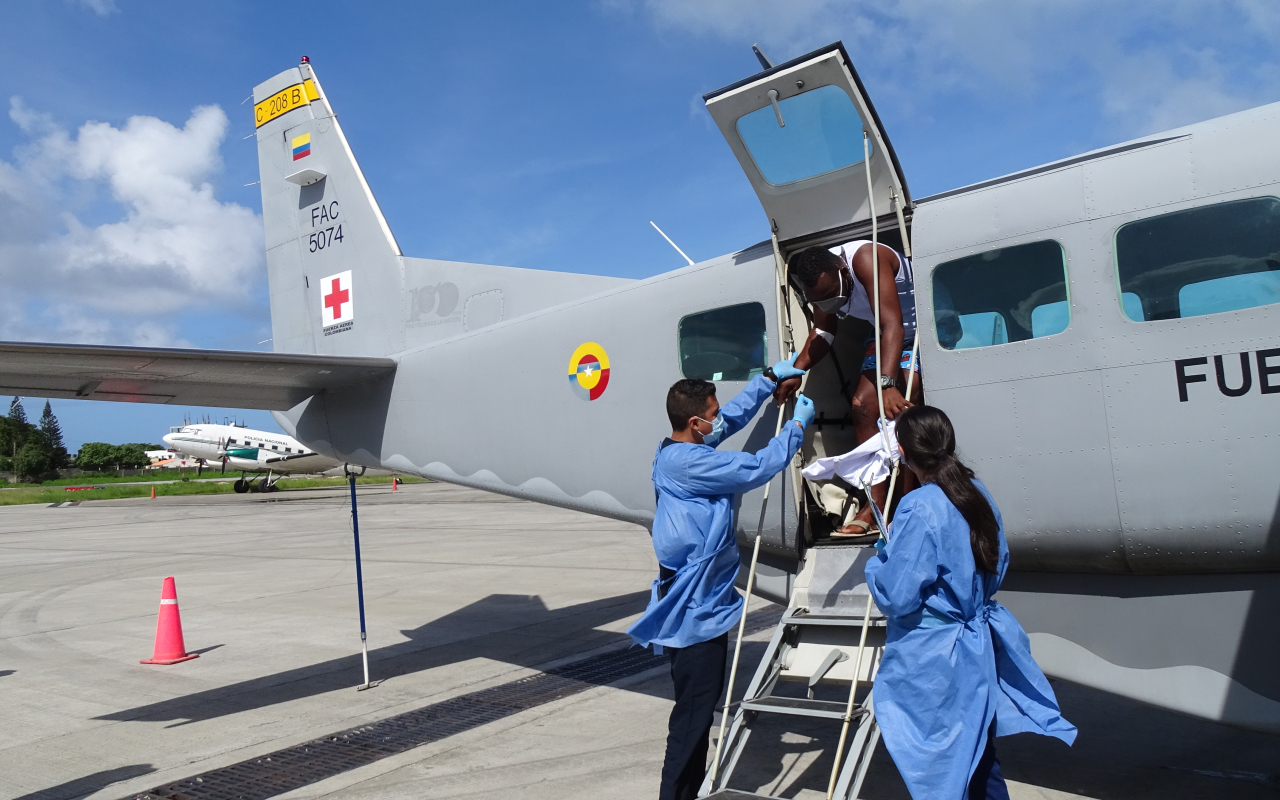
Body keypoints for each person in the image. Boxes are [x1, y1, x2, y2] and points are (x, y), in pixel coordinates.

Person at [864, 405, 1076, 799]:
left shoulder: (918, 505)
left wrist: (879, 561)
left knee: (939, 763)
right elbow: (998, 562)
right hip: (975, 648)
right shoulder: (976, 492)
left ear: (903, 451)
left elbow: (896, 595)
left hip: (932, 659)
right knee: (977, 754)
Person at [628, 358, 817, 800]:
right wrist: (796, 428)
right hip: (695, 611)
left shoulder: (680, 447)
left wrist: (767, 381)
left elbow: (730, 417)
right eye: (711, 415)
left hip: (703, 604)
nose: (719, 419)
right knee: (693, 717)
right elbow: (754, 468)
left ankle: (686, 793)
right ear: (694, 423)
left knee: (697, 715)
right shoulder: (691, 465)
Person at [776, 241, 923, 537]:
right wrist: (797, 371)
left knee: (904, 408)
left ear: (842, 268)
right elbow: (824, 332)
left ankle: (908, 503)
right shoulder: (821, 284)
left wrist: (888, 384)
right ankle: (877, 506)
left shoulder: (865, 259)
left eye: (831, 296)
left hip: (917, 327)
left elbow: (894, 323)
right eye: (820, 300)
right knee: (861, 406)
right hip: (884, 333)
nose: (829, 303)